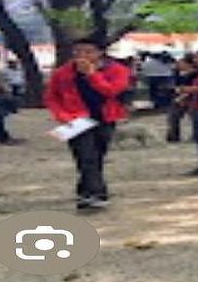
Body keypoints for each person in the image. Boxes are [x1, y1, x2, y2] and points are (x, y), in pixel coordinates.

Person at [44, 38, 132, 210]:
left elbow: (112, 91)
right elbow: (51, 96)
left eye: (87, 51)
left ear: (100, 53)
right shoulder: (63, 72)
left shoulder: (118, 70)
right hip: (74, 119)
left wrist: (92, 74)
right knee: (84, 156)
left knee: (97, 156)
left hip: (105, 117)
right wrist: (61, 115)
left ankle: (85, 191)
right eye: (77, 51)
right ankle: (98, 194)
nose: (81, 55)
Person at [167, 56, 198, 142]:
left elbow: (194, 87)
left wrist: (182, 97)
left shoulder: (196, 74)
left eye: (181, 62)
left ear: (188, 64)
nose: (178, 64)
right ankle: (173, 136)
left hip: (192, 97)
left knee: (195, 117)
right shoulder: (177, 73)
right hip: (180, 96)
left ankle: (197, 136)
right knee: (173, 116)